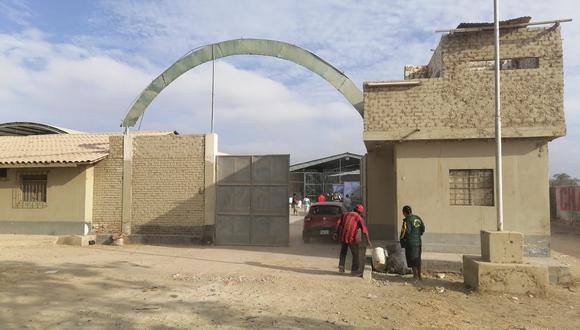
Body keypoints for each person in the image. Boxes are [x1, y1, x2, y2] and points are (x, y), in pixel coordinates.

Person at [334, 204, 372, 275]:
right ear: (360, 212)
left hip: (343, 236)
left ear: (354, 209)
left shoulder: (345, 214)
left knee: (343, 252)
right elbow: (365, 231)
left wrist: (335, 233)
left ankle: (341, 267)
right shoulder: (359, 218)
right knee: (355, 254)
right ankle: (354, 271)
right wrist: (368, 241)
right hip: (352, 238)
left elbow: (338, 223)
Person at [399, 205, 425, 280]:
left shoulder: (407, 221)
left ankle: (415, 276)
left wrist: (402, 240)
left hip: (410, 243)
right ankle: (420, 276)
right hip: (419, 242)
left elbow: (405, 232)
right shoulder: (417, 218)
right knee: (418, 259)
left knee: (412, 259)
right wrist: (417, 235)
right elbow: (423, 229)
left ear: (404, 212)